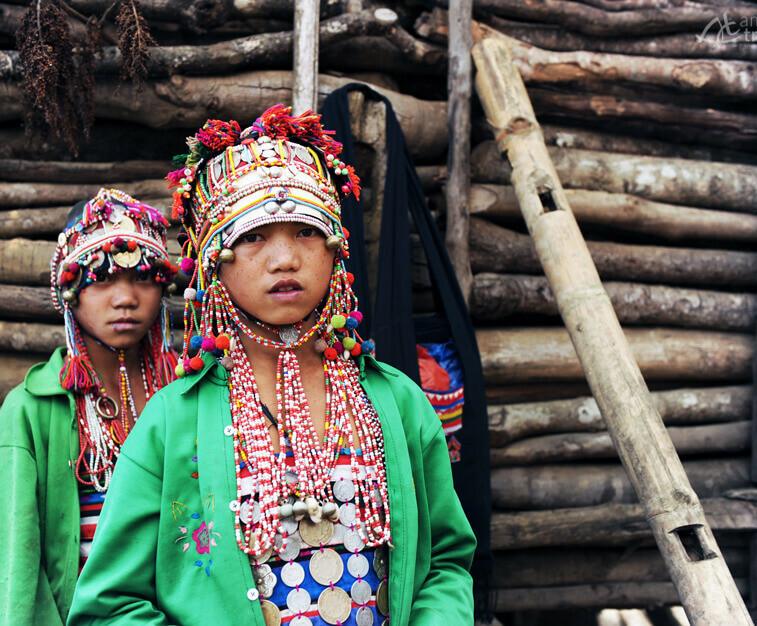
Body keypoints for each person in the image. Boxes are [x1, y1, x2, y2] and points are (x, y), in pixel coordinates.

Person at [67, 106, 476, 625]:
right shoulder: (172, 423)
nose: (285, 259)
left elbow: (445, 563)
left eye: (307, 231)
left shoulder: (395, 401)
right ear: (214, 259)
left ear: (335, 250)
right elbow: (109, 605)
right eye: (253, 236)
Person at [0, 188, 181, 625]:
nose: (125, 298)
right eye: (102, 278)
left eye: (143, 278)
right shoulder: (32, 411)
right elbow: (16, 572)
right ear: (68, 290)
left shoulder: (192, 394)